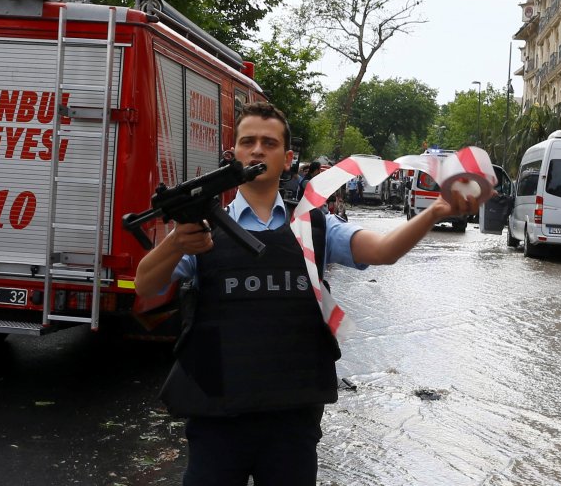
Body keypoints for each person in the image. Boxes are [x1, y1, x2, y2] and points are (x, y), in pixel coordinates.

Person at [133, 101, 479, 486]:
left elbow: (383, 251)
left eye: (270, 142)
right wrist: (176, 244)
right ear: (231, 156)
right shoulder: (199, 231)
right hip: (216, 419)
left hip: (292, 420)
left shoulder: (315, 225)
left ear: (288, 159)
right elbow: (145, 286)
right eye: (248, 142)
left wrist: (432, 213)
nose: (258, 150)